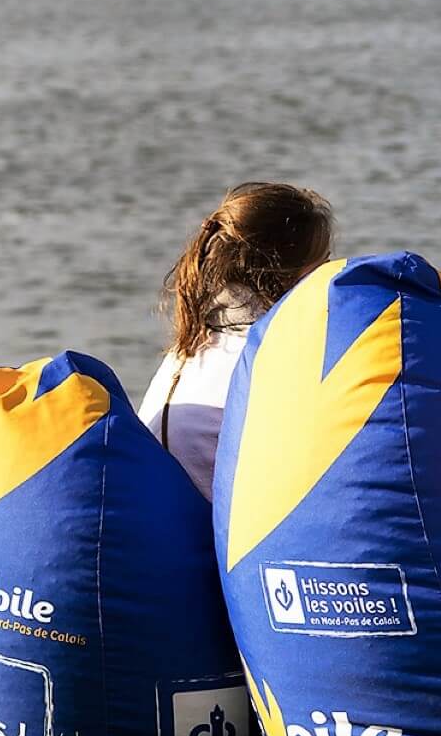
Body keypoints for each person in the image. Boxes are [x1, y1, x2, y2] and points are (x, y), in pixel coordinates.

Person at [139, 182, 334, 499]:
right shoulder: (267, 353)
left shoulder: (193, 342)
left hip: (166, 528)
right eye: (323, 265)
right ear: (285, 271)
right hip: (211, 539)